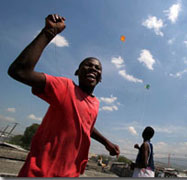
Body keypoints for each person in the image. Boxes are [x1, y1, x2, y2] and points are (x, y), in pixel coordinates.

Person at [8, 14, 120, 177]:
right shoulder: (64, 87)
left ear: (100, 78)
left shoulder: (95, 103)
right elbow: (19, 71)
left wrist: (106, 143)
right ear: (77, 72)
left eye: (97, 68)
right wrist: (48, 32)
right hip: (40, 173)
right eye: (87, 65)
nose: (93, 69)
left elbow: (86, 125)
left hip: (70, 174)